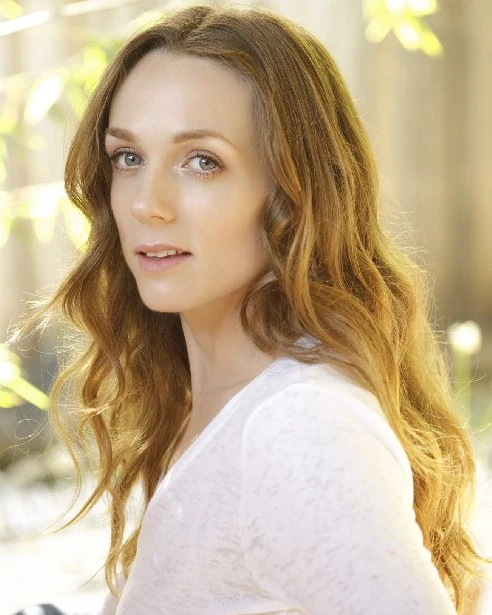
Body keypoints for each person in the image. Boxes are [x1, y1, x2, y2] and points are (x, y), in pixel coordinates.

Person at [10, 4, 491, 615]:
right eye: (128, 157)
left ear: (294, 192)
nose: (146, 204)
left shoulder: (296, 425)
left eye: (202, 161)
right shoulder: (210, 399)